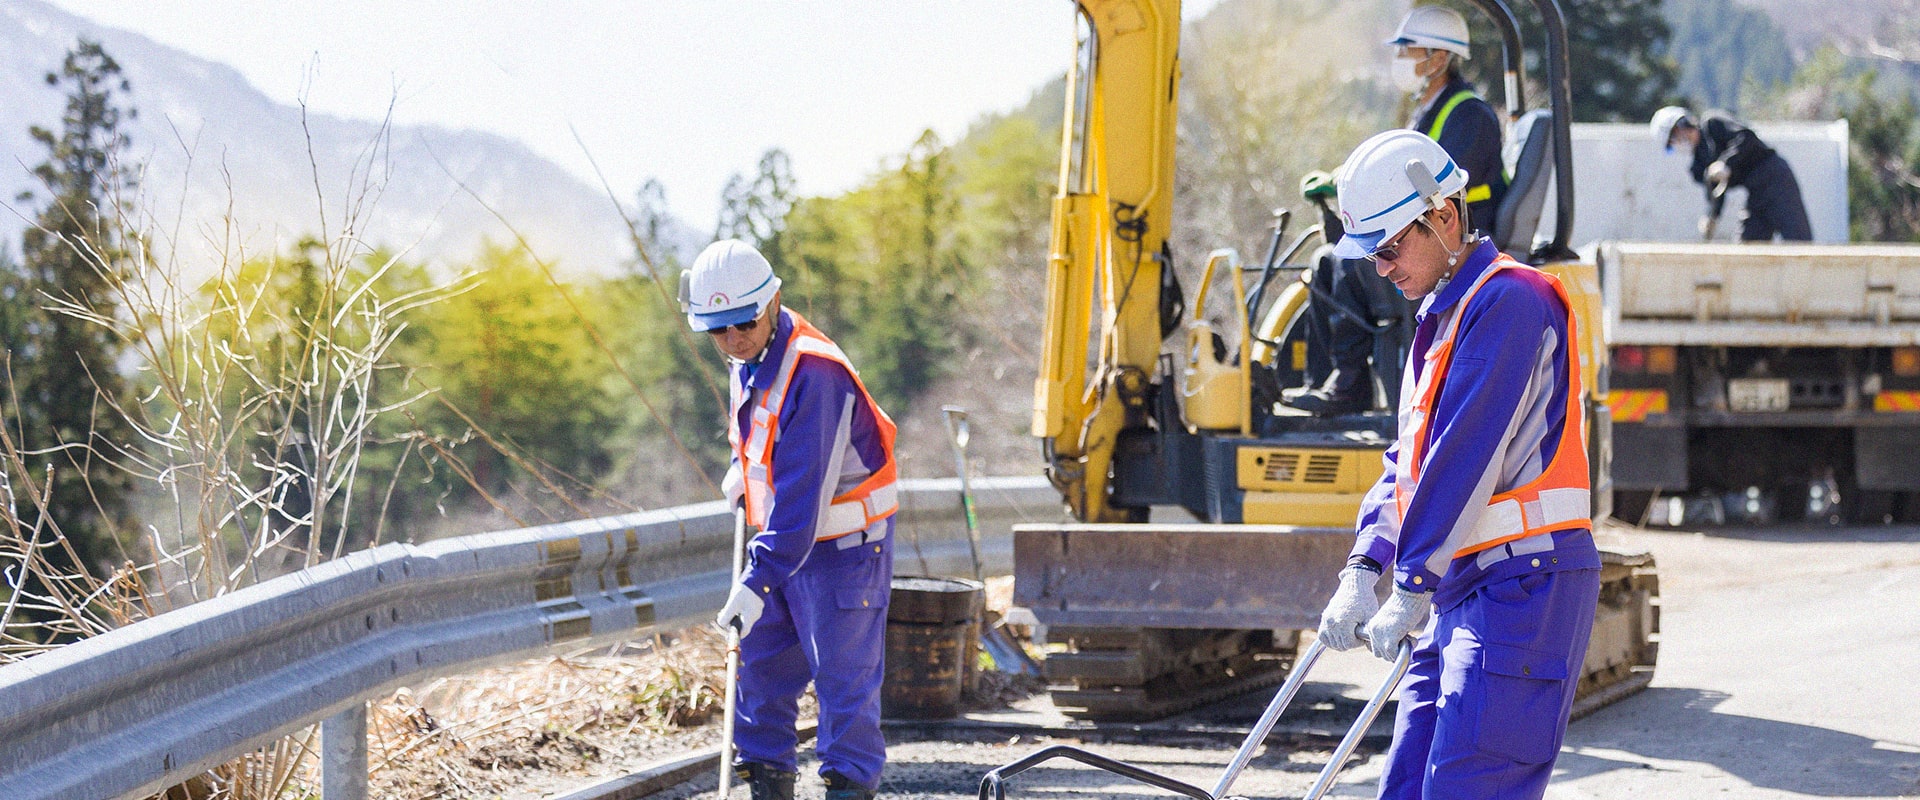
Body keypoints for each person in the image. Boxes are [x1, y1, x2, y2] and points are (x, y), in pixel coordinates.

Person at [1315, 129, 1601, 800]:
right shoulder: (1443, 316)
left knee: (1468, 786)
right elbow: (1410, 462)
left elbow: (1466, 453)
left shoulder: (1510, 300)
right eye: (1372, 255)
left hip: (1526, 584)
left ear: (1445, 216)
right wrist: (1363, 565)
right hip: (1463, 585)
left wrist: (1409, 580)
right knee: (1409, 786)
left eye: (1389, 249)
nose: (1382, 270)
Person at [693, 239, 897, 800]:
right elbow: (762, 439)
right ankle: (765, 782)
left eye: (743, 324)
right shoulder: (748, 358)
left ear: (774, 301)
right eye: (718, 330)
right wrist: (740, 466)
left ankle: (847, 789)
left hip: (844, 549)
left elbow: (805, 500)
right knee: (759, 674)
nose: (733, 340)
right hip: (784, 545)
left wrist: (755, 580)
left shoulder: (817, 374)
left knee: (843, 686)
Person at [1286, 5, 1499, 416]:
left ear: (1439, 58)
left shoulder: (1469, 115)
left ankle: (1349, 386)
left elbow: (1431, 189)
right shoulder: (1433, 109)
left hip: (1453, 236)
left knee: (1345, 265)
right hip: (1424, 230)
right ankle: (1334, 381)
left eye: (1408, 50)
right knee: (1327, 263)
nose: (1401, 60)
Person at [1650, 106, 1812, 241]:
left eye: (1675, 136)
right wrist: (1712, 216)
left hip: (1776, 180)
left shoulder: (1712, 124)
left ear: (1683, 125)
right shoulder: (1699, 165)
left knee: (1798, 242)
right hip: (1755, 192)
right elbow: (1717, 190)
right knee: (1748, 248)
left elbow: (1746, 137)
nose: (1679, 142)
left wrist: (1726, 163)